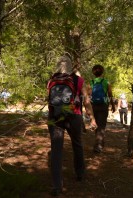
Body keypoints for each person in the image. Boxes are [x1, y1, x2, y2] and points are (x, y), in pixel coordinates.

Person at [47, 54, 97, 196]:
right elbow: (86, 101)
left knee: (56, 151)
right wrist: (92, 118)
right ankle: (80, 174)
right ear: (70, 66)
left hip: (55, 117)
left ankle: (57, 186)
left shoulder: (51, 80)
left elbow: (49, 100)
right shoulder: (79, 80)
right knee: (77, 144)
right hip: (74, 117)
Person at [89, 64, 116, 153]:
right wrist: (112, 105)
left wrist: (87, 108)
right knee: (102, 125)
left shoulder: (91, 82)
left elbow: (88, 96)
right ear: (102, 72)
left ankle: (99, 143)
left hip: (94, 106)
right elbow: (110, 94)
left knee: (97, 125)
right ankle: (99, 145)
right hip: (103, 105)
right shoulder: (106, 82)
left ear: (93, 73)